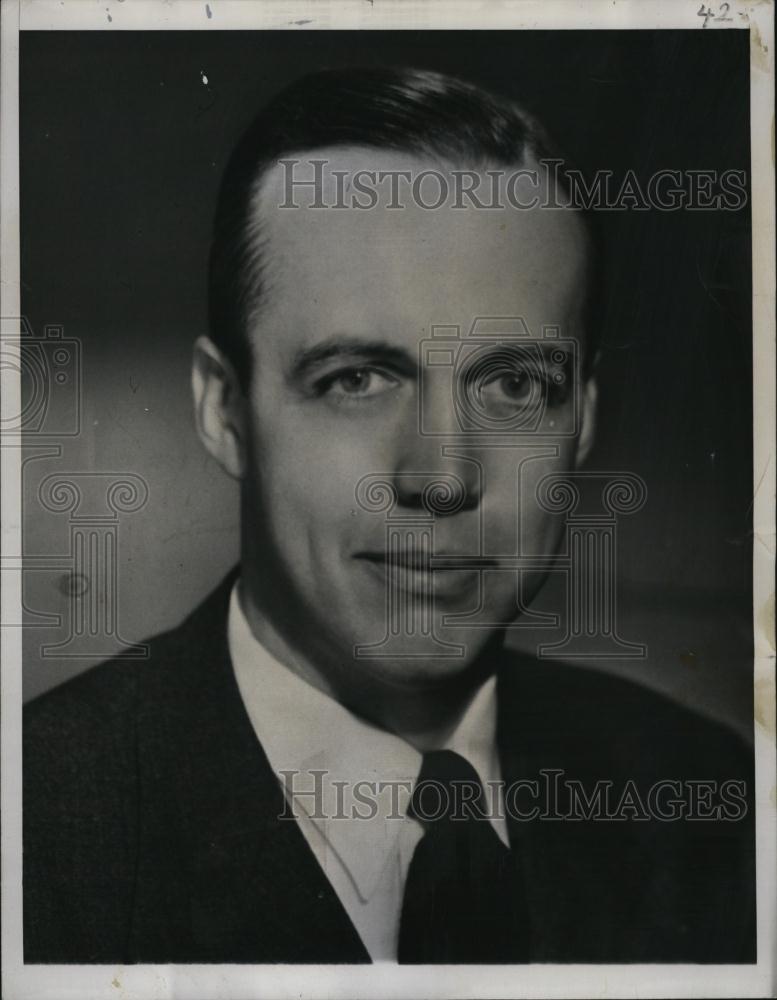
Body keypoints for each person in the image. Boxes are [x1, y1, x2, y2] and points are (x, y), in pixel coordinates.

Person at [23, 67, 754, 964]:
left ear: (582, 422)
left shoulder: (716, 798)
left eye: (514, 385)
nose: (441, 476)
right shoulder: (37, 836)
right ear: (225, 413)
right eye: (356, 380)